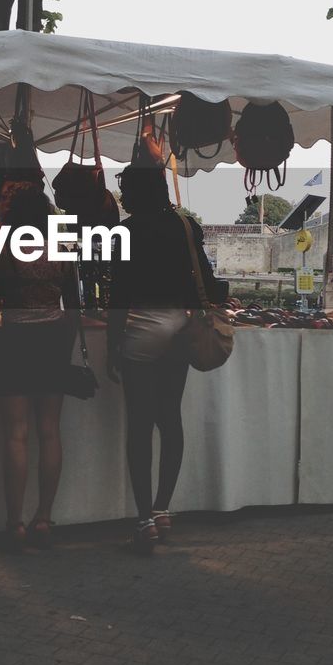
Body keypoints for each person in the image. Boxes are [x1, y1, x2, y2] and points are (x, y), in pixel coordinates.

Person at [107, 167, 224, 553]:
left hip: (142, 326)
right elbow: (205, 279)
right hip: (180, 324)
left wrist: (111, 345)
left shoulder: (126, 231)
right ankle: (163, 510)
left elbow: (119, 294)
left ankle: (143, 523)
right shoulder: (186, 226)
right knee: (170, 418)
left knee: (140, 426)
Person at [0, 181, 79, 550]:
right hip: (54, 338)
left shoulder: (2, 246)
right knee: (50, 431)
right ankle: (44, 517)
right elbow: (73, 303)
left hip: (15, 339)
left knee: (16, 434)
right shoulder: (61, 246)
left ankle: (15, 522)